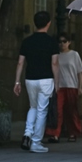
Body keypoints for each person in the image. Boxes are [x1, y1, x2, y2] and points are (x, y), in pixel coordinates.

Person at [13, 11, 60, 154]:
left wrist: (17, 82)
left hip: (30, 79)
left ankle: (27, 134)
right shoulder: (52, 42)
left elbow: (20, 63)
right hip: (46, 79)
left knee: (33, 107)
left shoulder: (27, 41)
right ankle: (36, 142)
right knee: (42, 110)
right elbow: (55, 64)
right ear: (48, 23)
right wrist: (57, 83)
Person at [45, 34, 82, 143]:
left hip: (72, 85)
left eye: (64, 41)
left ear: (69, 42)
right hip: (59, 86)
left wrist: (80, 87)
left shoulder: (74, 55)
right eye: (60, 41)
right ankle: (55, 134)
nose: (62, 44)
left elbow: (79, 73)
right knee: (58, 110)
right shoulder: (56, 55)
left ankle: (73, 133)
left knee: (72, 111)